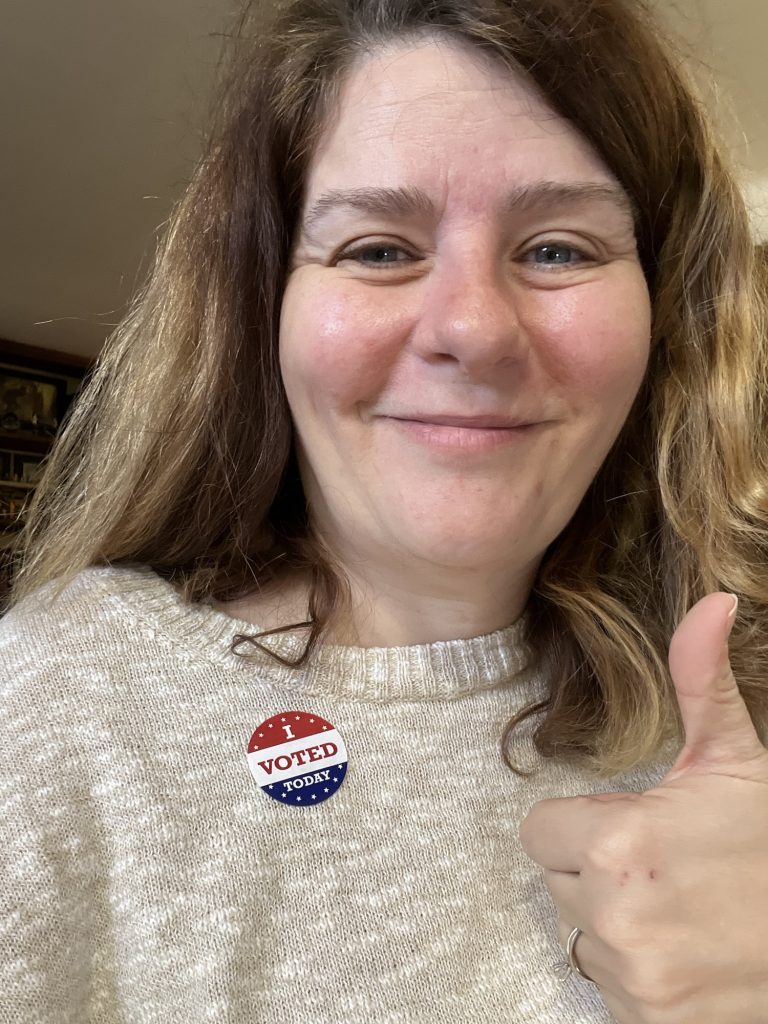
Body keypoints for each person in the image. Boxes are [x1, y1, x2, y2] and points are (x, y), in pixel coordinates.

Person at [2, 0, 768, 1021]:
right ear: (261, 305)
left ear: (664, 314)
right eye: (375, 248)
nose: (472, 329)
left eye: (558, 249)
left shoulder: (737, 699)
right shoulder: (62, 703)